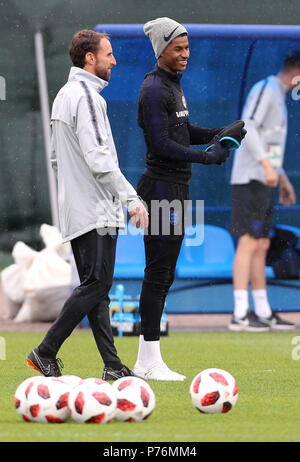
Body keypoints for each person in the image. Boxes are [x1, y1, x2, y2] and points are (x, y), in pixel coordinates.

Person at [26, 29, 148, 380]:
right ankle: (45, 350)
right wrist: (131, 200)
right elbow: (99, 158)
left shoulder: (64, 94)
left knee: (98, 290)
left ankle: (112, 366)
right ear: (89, 58)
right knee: (96, 285)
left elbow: (54, 159)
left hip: (78, 210)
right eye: (108, 54)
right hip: (96, 210)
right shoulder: (87, 96)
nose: (114, 60)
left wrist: (73, 196)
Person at [132, 17, 246, 381]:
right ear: (161, 50)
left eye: (187, 47)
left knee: (165, 274)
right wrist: (206, 156)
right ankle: (147, 361)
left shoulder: (173, 86)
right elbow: (161, 143)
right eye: (178, 48)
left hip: (177, 189)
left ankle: (149, 359)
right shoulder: (153, 88)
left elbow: (181, 131)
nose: (186, 54)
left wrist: (219, 132)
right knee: (158, 274)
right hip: (160, 190)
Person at [228, 50, 300, 332]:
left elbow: (270, 146)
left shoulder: (280, 99)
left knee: (262, 243)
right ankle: (239, 314)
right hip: (248, 179)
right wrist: (266, 167)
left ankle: (263, 311)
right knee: (248, 241)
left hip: (265, 181)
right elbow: (248, 127)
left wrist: (280, 178)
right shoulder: (265, 89)